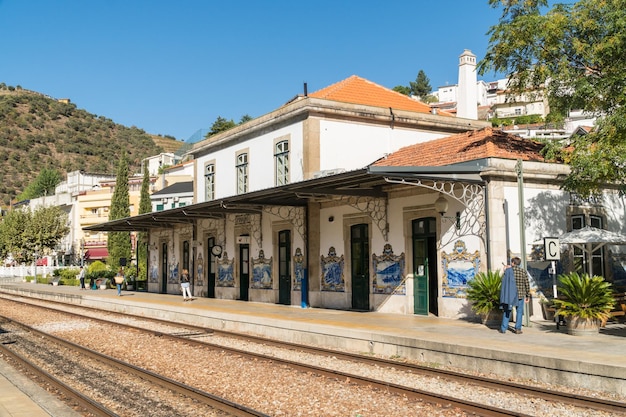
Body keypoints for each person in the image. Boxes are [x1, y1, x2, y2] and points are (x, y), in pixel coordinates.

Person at [500, 257, 530, 334]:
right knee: (519, 311)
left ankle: (503, 328)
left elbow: (504, 282)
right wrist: (527, 295)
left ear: (513, 263)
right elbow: (527, 284)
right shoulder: (523, 271)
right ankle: (518, 329)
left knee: (507, 311)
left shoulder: (509, 271)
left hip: (510, 295)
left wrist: (505, 270)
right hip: (520, 295)